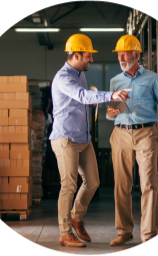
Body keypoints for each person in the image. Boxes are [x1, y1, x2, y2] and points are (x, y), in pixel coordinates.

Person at [49, 33, 132, 247]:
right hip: (65, 138)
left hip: (82, 138)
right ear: (76, 55)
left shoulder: (80, 73)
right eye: (88, 56)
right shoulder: (64, 77)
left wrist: (94, 99)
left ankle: (76, 217)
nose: (91, 60)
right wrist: (110, 95)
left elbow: (84, 97)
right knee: (68, 185)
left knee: (93, 182)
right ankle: (65, 232)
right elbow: (82, 96)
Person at [106, 34, 158, 245]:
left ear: (137, 55)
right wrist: (110, 112)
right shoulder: (115, 81)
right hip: (120, 134)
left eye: (125, 54)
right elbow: (110, 113)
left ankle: (148, 235)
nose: (121, 58)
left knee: (148, 185)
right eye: (119, 54)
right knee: (121, 185)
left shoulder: (153, 78)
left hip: (145, 134)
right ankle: (124, 231)